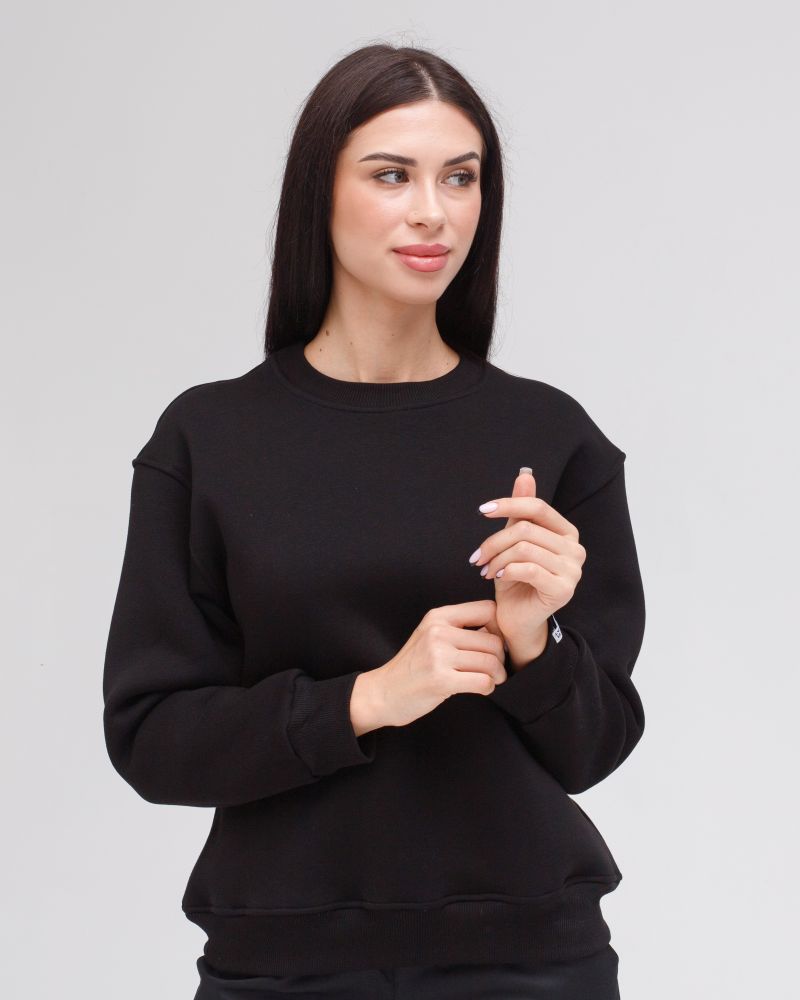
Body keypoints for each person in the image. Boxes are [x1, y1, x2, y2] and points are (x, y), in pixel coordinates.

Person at [102, 42, 645, 999]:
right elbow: (152, 738)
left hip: (531, 960)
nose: (433, 211)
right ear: (319, 193)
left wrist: (534, 643)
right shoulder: (209, 438)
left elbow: (593, 750)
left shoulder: (553, 437)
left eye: (460, 178)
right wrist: (368, 698)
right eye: (392, 175)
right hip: (283, 963)